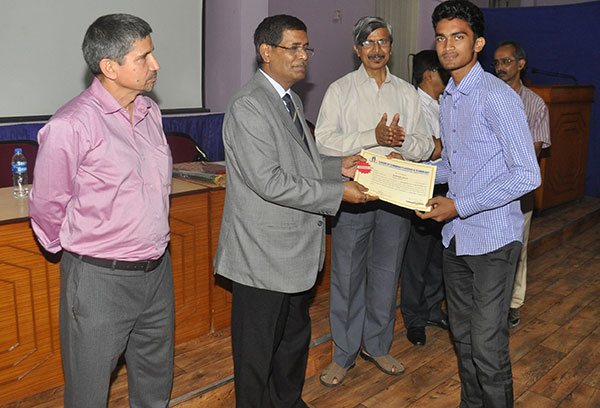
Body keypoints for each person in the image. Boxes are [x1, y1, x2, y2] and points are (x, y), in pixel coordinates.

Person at [213, 14, 375, 408]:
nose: (304, 56)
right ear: (266, 52)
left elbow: (297, 164)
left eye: (307, 48)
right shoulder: (249, 106)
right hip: (262, 255)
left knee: (292, 343)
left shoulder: (291, 99)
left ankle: (285, 402)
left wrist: (338, 165)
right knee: (257, 354)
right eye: (295, 48)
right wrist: (339, 192)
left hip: (296, 252)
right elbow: (269, 181)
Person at [29, 14, 174, 408]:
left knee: (155, 382)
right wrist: (84, 252)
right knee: (90, 392)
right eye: (143, 57)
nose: (155, 65)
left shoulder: (150, 113)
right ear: (109, 67)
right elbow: (46, 205)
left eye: (153, 54)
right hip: (100, 280)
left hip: (157, 271)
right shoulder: (71, 125)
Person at [418, 1, 541, 406]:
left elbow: (527, 175)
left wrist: (458, 205)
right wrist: (410, 172)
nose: (448, 45)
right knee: (462, 337)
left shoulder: (496, 96)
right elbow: (454, 164)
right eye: (441, 36)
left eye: (458, 36)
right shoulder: (449, 97)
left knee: (487, 345)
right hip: (456, 239)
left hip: (493, 241)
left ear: (478, 43)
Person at [315, 16, 433, 387]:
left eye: (382, 42)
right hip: (355, 195)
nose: (376, 49)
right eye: (368, 43)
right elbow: (323, 142)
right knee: (348, 276)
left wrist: (402, 146)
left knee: (386, 274)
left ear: (391, 48)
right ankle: (344, 353)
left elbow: (426, 144)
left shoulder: (407, 92)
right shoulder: (340, 90)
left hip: (396, 195)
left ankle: (377, 345)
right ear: (356, 49)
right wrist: (373, 136)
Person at [493, 40, 551, 328]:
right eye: (497, 62)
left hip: (518, 191)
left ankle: (514, 303)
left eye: (506, 61)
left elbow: (534, 152)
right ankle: (491, 303)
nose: (500, 67)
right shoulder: (488, 98)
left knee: (517, 248)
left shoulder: (535, 104)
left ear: (521, 64)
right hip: (487, 189)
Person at [400, 50, 450, 347]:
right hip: (422, 187)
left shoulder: (442, 103)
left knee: (437, 255)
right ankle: (414, 319)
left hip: (444, 185)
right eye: (443, 70)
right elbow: (429, 149)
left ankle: (433, 308)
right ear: (430, 74)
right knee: (416, 260)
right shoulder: (414, 105)